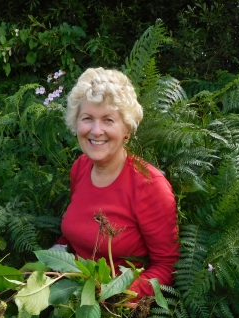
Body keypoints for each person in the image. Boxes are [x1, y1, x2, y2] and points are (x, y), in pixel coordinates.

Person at [52, 67, 179, 303]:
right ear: (76, 123)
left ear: (126, 129)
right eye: (87, 118)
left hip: (119, 315)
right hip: (68, 297)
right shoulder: (80, 168)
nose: (96, 130)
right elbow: (73, 236)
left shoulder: (150, 186)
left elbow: (167, 266)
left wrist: (114, 298)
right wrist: (48, 261)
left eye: (108, 120)